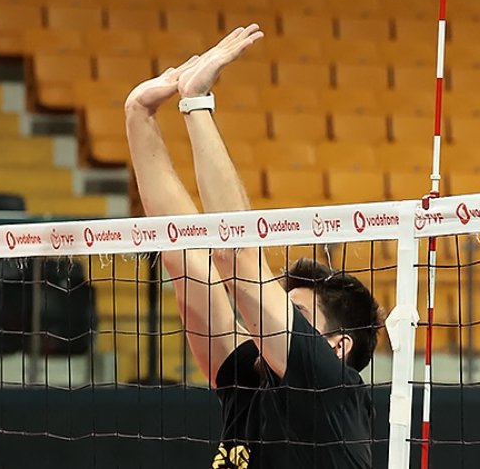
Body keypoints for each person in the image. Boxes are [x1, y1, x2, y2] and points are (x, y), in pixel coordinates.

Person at [123, 25, 382, 468]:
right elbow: (184, 254)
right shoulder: (249, 380)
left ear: (336, 348)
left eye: (295, 316)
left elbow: (236, 256)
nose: (267, 315)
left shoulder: (331, 388)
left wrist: (197, 104)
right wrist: (138, 115)